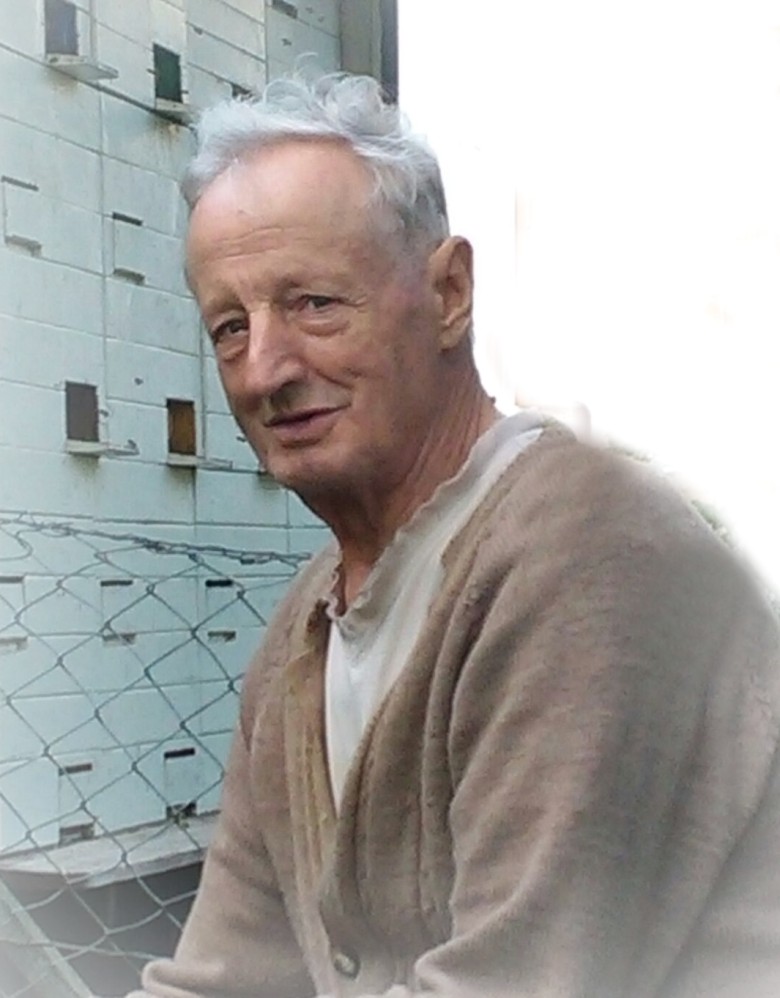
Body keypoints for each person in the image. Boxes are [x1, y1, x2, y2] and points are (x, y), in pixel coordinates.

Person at [132, 73, 780, 997]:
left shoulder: (594, 560)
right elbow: (223, 978)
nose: (264, 369)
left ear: (449, 293)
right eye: (230, 327)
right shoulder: (304, 634)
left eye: (314, 303)